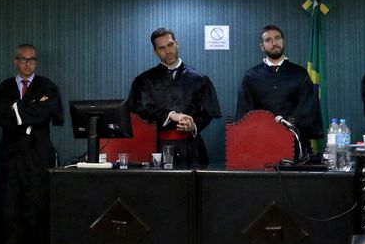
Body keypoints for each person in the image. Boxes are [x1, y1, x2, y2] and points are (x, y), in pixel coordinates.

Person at [0, 44, 63, 244]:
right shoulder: (2, 89)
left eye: (32, 60)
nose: (27, 64)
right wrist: (34, 108)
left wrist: (19, 109)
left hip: (38, 154)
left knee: (37, 203)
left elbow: (50, 111)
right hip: (11, 154)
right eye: (23, 59)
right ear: (15, 61)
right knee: (10, 205)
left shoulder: (47, 86)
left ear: (36, 62)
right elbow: (3, 117)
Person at [127, 28, 221, 167]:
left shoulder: (199, 79)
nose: (168, 51)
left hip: (192, 149)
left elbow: (209, 111)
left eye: (170, 45)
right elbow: (140, 107)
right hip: (156, 147)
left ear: (177, 43)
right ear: (155, 51)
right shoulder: (144, 80)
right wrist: (170, 115)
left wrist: (194, 125)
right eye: (162, 48)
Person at [235, 25, 324, 156]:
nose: (274, 43)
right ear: (262, 47)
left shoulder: (300, 74)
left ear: (283, 41)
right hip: (261, 144)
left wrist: (286, 125)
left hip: (295, 143)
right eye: (268, 40)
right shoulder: (250, 76)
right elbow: (245, 114)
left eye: (277, 38)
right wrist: (267, 128)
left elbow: (307, 108)